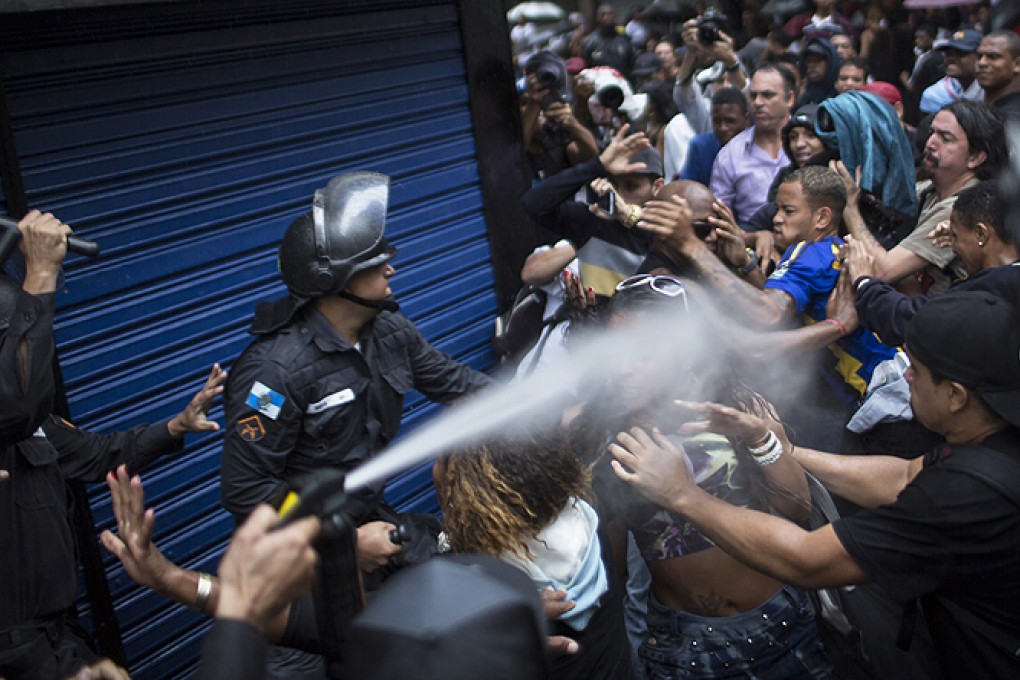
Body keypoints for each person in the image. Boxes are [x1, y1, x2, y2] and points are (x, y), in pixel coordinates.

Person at [609, 289, 1020, 679]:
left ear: (955, 395)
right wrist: (778, 449)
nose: (904, 375)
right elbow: (905, 475)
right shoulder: (988, 443)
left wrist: (683, 493)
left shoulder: (962, 497)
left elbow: (807, 559)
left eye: (916, 369)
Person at [218, 171, 492, 677]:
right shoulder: (275, 372)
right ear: (334, 280)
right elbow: (247, 491)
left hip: (367, 540)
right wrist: (340, 543)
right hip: (297, 569)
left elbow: (455, 382)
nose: (391, 266)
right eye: (375, 261)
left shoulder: (387, 330)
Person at [0, 211, 226, 679]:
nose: (24, 351)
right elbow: (19, 400)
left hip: (60, 640)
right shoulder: (15, 408)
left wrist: (175, 427)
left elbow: (99, 454)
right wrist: (40, 274)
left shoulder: (32, 426)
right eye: (13, 344)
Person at [570, 275, 831, 679]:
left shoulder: (735, 408)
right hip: (683, 648)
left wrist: (758, 436)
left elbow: (796, 508)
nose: (623, 368)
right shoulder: (606, 439)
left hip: (781, 626)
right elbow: (613, 572)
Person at [434, 431, 632, 680]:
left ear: (470, 493)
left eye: (441, 463)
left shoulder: (480, 587)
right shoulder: (586, 518)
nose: (436, 469)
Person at [838, 99, 1006, 294]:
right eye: (932, 132)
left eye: (946, 138)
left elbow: (882, 271)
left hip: (944, 317)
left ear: (975, 157)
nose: (931, 143)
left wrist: (850, 208)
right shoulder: (931, 189)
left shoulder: (962, 207)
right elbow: (888, 204)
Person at [851, 180, 1020, 346]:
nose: (953, 248)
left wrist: (864, 282)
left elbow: (912, 321)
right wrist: (961, 233)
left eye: (955, 237)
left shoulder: (987, 292)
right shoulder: (1008, 278)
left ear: (981, 234)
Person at [521, 125, 664, 297]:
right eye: (615, 185)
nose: (620, 195)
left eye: (631, 187)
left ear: (657, 187)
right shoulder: (592, 221)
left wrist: (629, 216)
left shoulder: (664, 230)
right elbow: (533, 203)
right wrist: (597, 165)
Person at [710, 64, 794, 224]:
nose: (758, 102)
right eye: (753, 95)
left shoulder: (809, 145)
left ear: (789, 99)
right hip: (751, 242)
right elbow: (719, 217)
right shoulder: (730, 154)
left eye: (768, 95)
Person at [678, 87, 749, 186]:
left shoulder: (756, 146)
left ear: (746, 120)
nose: (722, 128)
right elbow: (689, 187)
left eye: (730, 121)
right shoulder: (700, 147)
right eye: (717, 121)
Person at [919, 29, 983, 115]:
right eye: (948, 54)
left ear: (980, 58)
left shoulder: (988, 93)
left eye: (960, 53)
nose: (950, 59)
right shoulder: (956, 90)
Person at [976, 30, 1020, 120]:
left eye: (993, 56)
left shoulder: (1014, 116)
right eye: (979, 56)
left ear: (1017, 64)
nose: (981, 63)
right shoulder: (982, 109)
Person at [581, 5, 634, 80]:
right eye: (603, 14)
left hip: (622, 83)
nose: (606, 17)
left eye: (609, 14)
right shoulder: (589, 42)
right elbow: (585, 68)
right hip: (598, 84)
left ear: (615, 16)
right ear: (597, 18)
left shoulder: (624, 40)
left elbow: (631, 66)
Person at [797, 36, 840, 106]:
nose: (811, 65)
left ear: (830, 63)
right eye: (809, 61)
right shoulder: (804, 95)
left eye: (817, 60)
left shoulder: (840, 95)